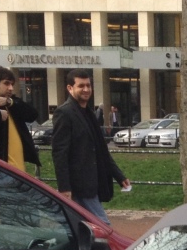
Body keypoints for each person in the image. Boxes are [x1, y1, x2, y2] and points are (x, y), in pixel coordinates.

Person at [52, 69, 130, 223]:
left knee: (84, 229)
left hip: (93, 182)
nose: (86, 89)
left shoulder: (88, 113)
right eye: (81, 86)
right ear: (70, 88)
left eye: (88, 85)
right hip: (79, 185)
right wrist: (64, 187)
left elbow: (101, 149)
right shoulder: (64, 113)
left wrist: (118, 175)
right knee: (103, 227)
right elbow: (59, 153)